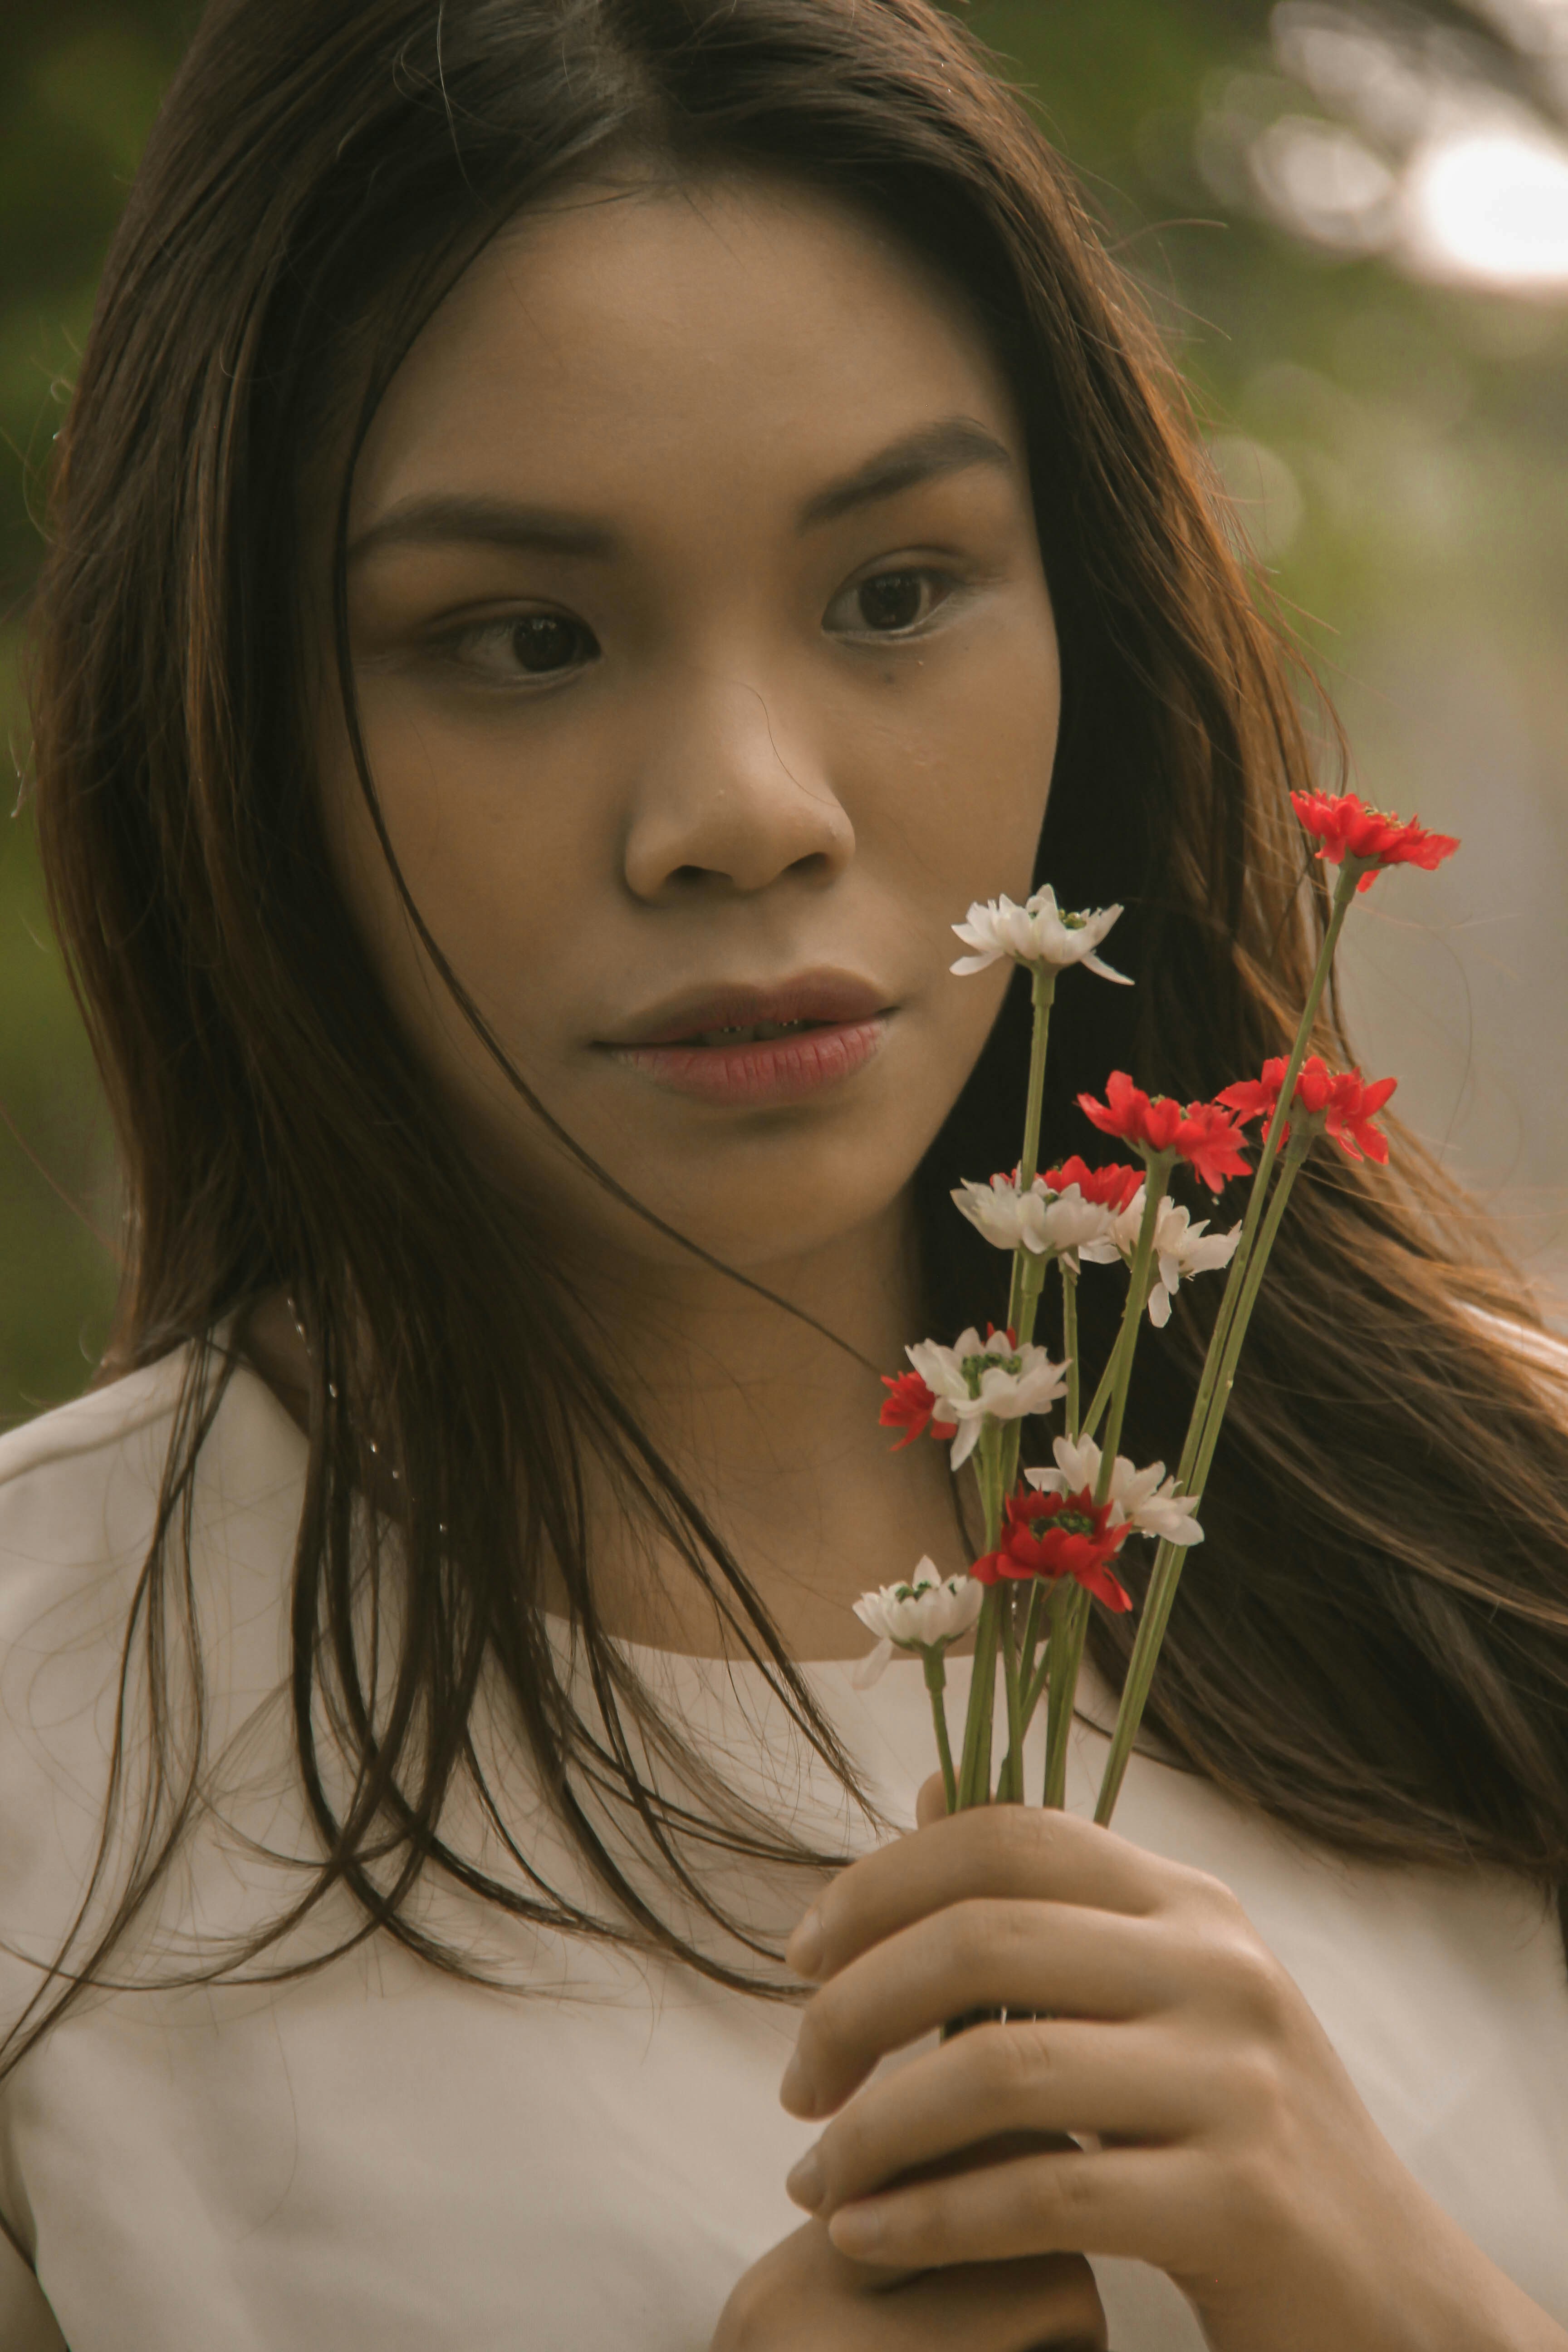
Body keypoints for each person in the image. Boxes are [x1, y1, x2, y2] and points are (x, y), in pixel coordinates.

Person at [3, 0, 1567, 2345]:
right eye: (525, 639)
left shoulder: (1503, 1547)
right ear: (239, 724)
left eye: (894, 593)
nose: (748, 805)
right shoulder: (48, 1781)